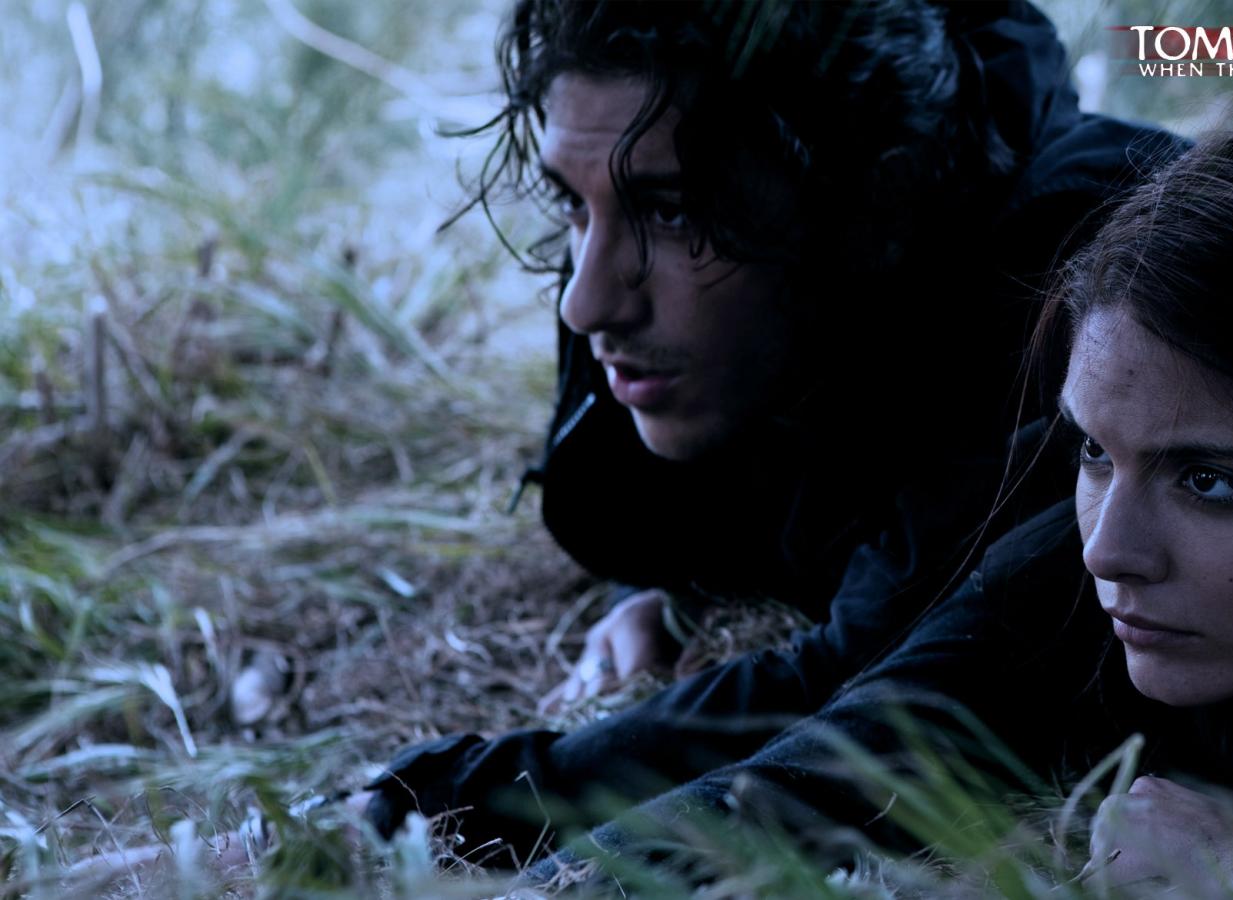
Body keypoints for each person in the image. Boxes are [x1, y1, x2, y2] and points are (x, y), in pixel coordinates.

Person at [374, 97, 1233, 897]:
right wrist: (436, 811)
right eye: (1091, 452)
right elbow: (836, 763)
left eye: (1211, 482)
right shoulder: (1068, 573)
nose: (1110, 549)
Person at [360, 0, 1186, 845]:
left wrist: (444, 801)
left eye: (672, 211)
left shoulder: (1079, 276)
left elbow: (868, 679)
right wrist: (664, 587)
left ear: (873, 195)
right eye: (573, 204)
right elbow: (646, 496)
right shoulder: (712, 299)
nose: (586, 300)